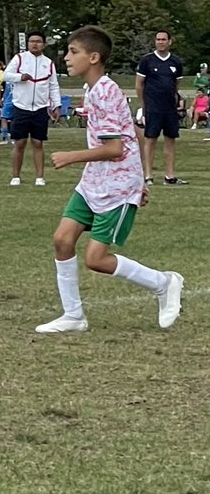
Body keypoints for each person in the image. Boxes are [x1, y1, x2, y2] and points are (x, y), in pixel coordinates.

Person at [36, 26, 183, 334]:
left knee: (96, 258)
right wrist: (142, 176)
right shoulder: (95, 90)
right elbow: (131, 133)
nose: (66, 57)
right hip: (95, 181)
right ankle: (74, 316)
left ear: (94, 57)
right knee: (62, 240)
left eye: (73, 52)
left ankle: (164, 283)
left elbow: (115, 148)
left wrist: (71, 157)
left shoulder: (104, 91)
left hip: (116, 188)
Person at [2, 32, 61, 186]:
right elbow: (5, 75)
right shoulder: (20, 58)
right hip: (21, 106)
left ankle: (40, 177)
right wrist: (20, 77)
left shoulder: (48, 63)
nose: (35, 44)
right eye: (32, 41)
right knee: (19, 142)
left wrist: (56, 105)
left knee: (38, 142)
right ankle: (16, 176)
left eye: (38, 41)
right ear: (28, 43)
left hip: (40, 107)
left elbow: (53, 86)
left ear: (44, 44)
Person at [136, 30, 187, 186]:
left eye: (163, 39)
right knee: (150, 140)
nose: (160, 42)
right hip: (153, 108)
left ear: (170, 42)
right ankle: (148, 176)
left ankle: (169, 176)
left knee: (170, 140)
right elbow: (139, 85)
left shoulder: (175, 62)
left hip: (170, 109)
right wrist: (143, 105)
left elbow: (176, 85)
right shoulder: (147, 61)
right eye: (158, 39)